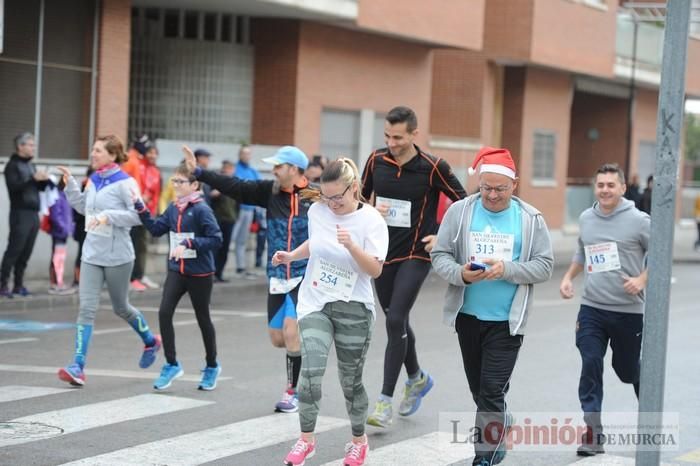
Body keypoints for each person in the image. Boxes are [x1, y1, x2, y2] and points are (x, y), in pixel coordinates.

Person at [431, 147, 553, 466]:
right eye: (486, 188)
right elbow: (439, 255)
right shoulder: (461, 212)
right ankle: (501, 419)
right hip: (468, 317)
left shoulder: (530, 219)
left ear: (515, 185)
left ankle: (483, 457)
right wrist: (461, 274)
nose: (493, 195)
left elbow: (544, 266)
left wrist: (507, 269)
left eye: (500, 189)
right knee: (481, 390)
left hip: (507, 322)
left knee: (489, 389)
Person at [273, 158, 389, 466]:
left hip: (355, 306)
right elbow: (317, 242)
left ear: (353, 189)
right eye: (326, 197)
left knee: (351, 380)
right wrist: (291, 255)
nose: (332, 203)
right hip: (316, 302)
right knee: (311, 371)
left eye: (338, 196)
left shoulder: (371, 221)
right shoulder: (317, 211)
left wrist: (352, 246)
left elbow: (375, 269)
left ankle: (358, 441)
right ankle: (306, 440)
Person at [361, 106, 466, 428]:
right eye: (388, 137)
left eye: (398, 137)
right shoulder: (376, 161)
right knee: (398, 323)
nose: (392, 143)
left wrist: (442, 236)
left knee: (394, 319)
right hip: (381, 254)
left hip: (416, 255)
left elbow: (463, 203)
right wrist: (366, 215)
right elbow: (360, 200)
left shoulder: (433, 166)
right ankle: (417, 377)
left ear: (413, 135)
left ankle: (383, 401)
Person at [184, 144, 310, 412]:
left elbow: (350, 209)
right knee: (278, 339)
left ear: (295, 169)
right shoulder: (269, 192)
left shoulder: (317, 197)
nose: (274, 170)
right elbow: (235, 185)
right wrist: (199, 172)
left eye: (279, 166)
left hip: (306, 277)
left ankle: (292, 392)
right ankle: (307, 353)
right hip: (277, 276)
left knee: (292, 333)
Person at [55, 135, 161, 386]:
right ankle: (77, 366)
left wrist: (108, 217)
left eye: (98, 150)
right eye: (93, 149)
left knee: (121, 308)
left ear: (113, 155)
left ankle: (151, 341)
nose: (93, 154)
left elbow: (138, 217)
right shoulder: (93, 179)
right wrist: (70, 185)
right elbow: (84, 208)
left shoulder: (126, 183)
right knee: (86, 308)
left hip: (118, 256)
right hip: (92, 254)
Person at [559, 163, 649, 457]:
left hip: (628, 312)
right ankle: (593, 434)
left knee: (627, 371)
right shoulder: (587, 217)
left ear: (623, 188)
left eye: (611, 185)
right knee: (591, 361)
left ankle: (648, 421)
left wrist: (641, 279)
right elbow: (582, 251)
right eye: (601, 185)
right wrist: (568, 278)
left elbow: (661, 254)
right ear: (594, 188)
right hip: (592, 309)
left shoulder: (639, 220)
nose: (605, 190)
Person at [134, 163, 223, 390]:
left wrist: (191, 243)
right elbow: (155, 229)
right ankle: (172, 364)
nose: (175, 186)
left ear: (194, 185)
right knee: (164, 313)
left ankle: (212, 365)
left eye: (180, 182)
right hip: (177, 270)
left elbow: (216, 239)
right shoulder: (174, 208)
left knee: (203, 318)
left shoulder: (202, 210)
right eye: (173, 181)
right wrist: (141, 209)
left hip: (200, 273)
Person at [1, 132, 51, 298]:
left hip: (33, 214)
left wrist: (44, 181)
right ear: (20, 146)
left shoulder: (31, 165)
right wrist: (32, 179)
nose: (33, 148)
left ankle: (18, 285)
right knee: (14, 250)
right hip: (19, 213)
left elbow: (37, 188)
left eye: (33, 145)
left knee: (26, 252)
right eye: (30, 145)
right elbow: (14, 188)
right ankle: (2, 285)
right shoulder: (12, 165)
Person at [123, 135, 154, 292]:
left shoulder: (136, 161)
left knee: (138, 244)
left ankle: (136, 276)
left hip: (138, 206)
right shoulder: (131, 161)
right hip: (133, 208)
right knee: (133, 244)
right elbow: (127, 186)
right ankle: (131, 278)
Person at [231, 144, 260, 277]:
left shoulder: (253, 171)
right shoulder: (235, 170)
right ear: (240, 155)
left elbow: (259, 186)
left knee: (243, 240)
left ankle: (241, 267)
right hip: (237, 209)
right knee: (230, 238)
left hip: (250, 209)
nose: (246, 156)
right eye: (244, 153)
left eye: (248, 154)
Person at [47, 179, 76, 295]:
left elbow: (69, 217)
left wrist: (70, 229)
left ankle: (58, 282)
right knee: (57, 258)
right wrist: (64, 228)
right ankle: (56, 284)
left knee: (59, 258)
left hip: (63, 233)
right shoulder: (58, 196)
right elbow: (55, 216)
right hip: (59, 233)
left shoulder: (65, 197)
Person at [211, 160, 238, 282]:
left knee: (225, 248)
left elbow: (238, 202)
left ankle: (219, 273)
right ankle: (211, 272)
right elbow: (211, 195)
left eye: (230, 168)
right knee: (215, 246)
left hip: (230, 219)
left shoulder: (235, 183)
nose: (228, 171)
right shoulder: (217, 181)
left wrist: (236, 216)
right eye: (226, 168)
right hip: (218, 219)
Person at [72, 167, 93, 288]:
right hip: (83, 226)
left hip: (90, 226)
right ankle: (77, 279)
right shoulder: (85, 187)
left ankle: (85, 279)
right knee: (82, 253)